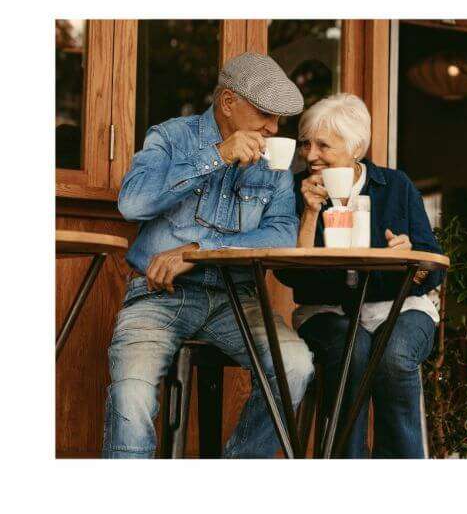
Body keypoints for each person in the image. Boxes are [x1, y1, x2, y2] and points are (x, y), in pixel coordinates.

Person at [102, 52, 314, 458]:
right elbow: (132, 204)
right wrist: (217, 154)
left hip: (237, 300)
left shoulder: (275, 161)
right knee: (132, 393)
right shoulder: (171, 136)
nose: (273, 128)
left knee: (296, 366)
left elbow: (283, 232)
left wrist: (201, 252)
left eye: (278, 119)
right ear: (228, 103)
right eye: (265, 114)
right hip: (158, 296)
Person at [275, 93, 445, 458]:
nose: (310, 154)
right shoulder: (295, 191)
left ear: (355, 147)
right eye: (306, 144)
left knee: (394, 356)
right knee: (352, 353)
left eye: (323, 144)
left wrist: (410, 258)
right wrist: (309, 214)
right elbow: (291, 276)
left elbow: (432, 264)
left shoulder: (395, 187)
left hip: (400, 308)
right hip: (328, 312)